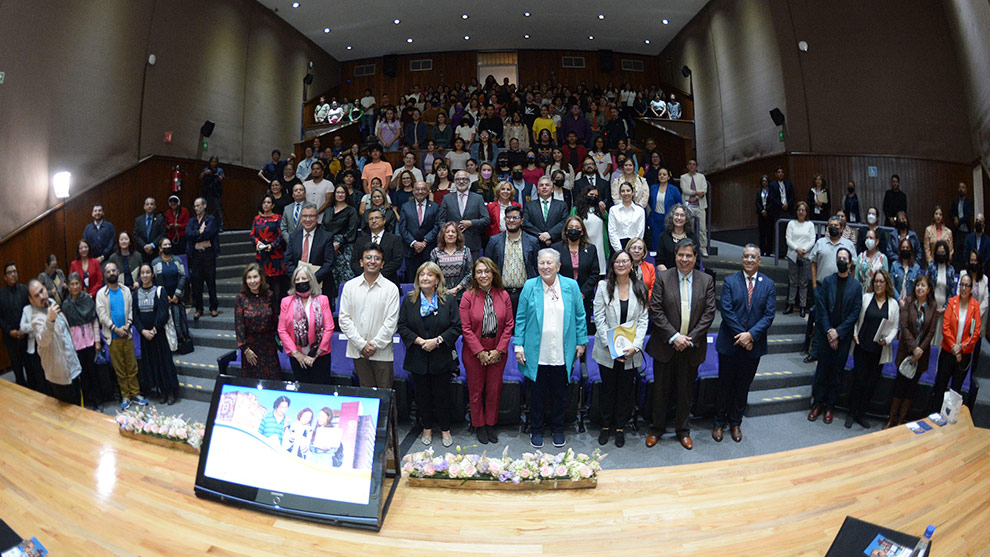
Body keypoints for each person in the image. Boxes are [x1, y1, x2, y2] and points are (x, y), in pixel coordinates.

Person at [645, 239, 716, 450]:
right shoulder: (664, 277)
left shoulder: (706, 280)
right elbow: (655, 310)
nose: (684, 259)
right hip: (665, 345)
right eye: (680, 255)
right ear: (675, 256)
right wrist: (674, 336)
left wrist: (689, 339)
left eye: (689, 255)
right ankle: (657, 428)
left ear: (696, 258)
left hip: (691, 346)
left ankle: (683, 430)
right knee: (660, 390)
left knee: (685, 392)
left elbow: (709, 313)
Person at [514, 249, 588, 448]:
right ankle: (536, 429)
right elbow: (520, 318)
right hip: (536, 351)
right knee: (536, 394)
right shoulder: (530, 286)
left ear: (558, 266)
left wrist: (581, 342)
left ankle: (557, 429)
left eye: (549, 263)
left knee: (559, 393)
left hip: (563, 351)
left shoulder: (571, 286)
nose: (545, 267)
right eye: (542, 263)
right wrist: (518, 346)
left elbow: (580, 316)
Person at [714, 245, 776, 442]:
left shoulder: (768, 284)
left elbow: (768, 315)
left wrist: (751, 336)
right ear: (742, 259)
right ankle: (718, 422)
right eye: (746, 256)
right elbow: (726, 311)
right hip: (730, 343)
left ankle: (735, 422)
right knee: (725, 385)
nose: (749, 260)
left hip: (753, 346)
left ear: (759, 261)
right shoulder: (731, 281)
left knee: (743, 386)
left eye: (753, 257)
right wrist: (743, 336)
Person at [397, 262, 462, 448]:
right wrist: (419, 341)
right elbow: (402, 326)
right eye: (422, 274)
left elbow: (456, 327)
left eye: (430, 275)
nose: (425, 278)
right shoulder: (409, 300)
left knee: (443, 395)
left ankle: (445, 429)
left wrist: (438, 340)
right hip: (417, 355)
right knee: (422, 395)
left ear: (437, 279)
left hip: (441, 355)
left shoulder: (448, 300)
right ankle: (426, 428)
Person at [592, 250, 649, 448]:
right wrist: (611, 346)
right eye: (617, 261)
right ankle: (605, 426)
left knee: (625, 391)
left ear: (631, 264)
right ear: (612, 264)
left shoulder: (639, 287)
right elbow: (598, 317)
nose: (621, 264)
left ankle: (620, 427)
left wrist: (636, 346)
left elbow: (643, 320)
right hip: (607, 350)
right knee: (607, 390)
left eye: (625, 261)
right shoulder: (603, 286)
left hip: (631, 351)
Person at [460, 258, 514, 445]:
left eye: (487, 271)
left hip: (498, 349)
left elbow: (509, 325)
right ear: (474, 275)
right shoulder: (468, 296)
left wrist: (499, 350)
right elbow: (465, 328)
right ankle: (479, 425)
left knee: (494, 389)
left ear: (493, 274)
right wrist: (480, 351)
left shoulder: (504, 295)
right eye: (479, 272)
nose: (483, 275)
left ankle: (491, 424)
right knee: (476, 390)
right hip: (474, 351)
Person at [807, 248, 861, 425]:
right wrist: (830, 331)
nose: (841, 261)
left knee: (837, 373)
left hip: (843, 338)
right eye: (839, 258)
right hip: (825, 335)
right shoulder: (828, 281)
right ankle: (818, 404)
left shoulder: (856, 286)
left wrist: (838, 332)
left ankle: (830, 406)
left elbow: (854, 313)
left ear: (850, 263)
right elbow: (821, 308)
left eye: (844, 258)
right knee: (822, 370)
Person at [338, 244, 401, 389]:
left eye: (377, 258)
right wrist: (361, 344)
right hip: (358, 351)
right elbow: (344, 319)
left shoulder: (391, 289)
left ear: (382, 264)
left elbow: (391, 322)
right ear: (361, 262)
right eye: (368, 257)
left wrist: (373, 345)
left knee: (385, 394)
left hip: (382, 352)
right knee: (365, 392)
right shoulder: (349, 286)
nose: (372, 261)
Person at [847, 269, 899, 428]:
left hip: (879, 351)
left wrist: (887, 340)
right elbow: (856, 319)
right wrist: (855, 334)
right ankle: (851, 413)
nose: (878, 284)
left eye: (881, 281)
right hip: (861, 347)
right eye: (876, 281)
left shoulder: (893, 304)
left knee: (871, 384)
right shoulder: (866, 298)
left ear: (887, 283)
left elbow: (895, 328)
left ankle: (861, 414)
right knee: (858, 381)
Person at [95, 262, 147, 409]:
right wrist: (115, 329)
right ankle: (125, 396)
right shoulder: (101, 294)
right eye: (108, 271)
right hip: (113, 337)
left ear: (118, 272)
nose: (111, 273)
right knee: (120, 369)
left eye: (113, 270)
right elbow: (102, 315)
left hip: (127, 334)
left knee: (132, 366)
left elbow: (130, 310)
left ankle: (135, 393)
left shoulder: (125, 290)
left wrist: (127, 325)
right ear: (105, 275)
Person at [887, 275, 937, 428]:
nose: (919, 288)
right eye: (917, 285)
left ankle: (901, 421)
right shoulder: (908, 302)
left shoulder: (933, 305)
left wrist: (920, 350)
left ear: (928, 289)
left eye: (923, 285)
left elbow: (931, 332)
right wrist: (913, 348)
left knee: (911, 388)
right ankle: (891, 419)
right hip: (906, 352)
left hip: (921, 355)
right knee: (899, 386)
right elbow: (904, 326)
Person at [21, 280, 82, 404]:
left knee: (79, 404)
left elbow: (65, 333)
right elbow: (43, 340)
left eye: (42, 291)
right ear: (31, 300)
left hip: (72, 366)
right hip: (59, 375)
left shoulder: (52, 303)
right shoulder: (36, 318)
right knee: (68, 413)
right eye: (36, 296)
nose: (42, 296)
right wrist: (49, 320)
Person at [929, 272, 981, 414]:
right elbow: (945, 328)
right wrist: (954, 347)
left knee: (955, 390)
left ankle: (948, 421)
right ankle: (934, 415)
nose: (963, 288)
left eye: (966, 285)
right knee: (940, 385)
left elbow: (975, 333)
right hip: (947, 352)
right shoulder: (952, 302)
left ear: (971, 288)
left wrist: (961, 348)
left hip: (964, 356)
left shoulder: (975, 306)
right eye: (962, 285)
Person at [278, 266, 335, 385]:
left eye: (303, 278)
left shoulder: (322, 300)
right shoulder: (286, 302)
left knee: (322, 390)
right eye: (297, 279)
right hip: (298, 358)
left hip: (320, 356)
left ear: (311, 280)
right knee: (303, 390)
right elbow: (282, 330)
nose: (300, 281)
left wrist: (316, 354)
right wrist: (296, 354)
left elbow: (329, 328)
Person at [133, 264, 179, 405]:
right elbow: (135, 315)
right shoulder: (135, 294)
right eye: (143, 273)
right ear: (140, 275)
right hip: (145, 336)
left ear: (152, 274)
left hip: (159, 334)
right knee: (152, 364)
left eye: (148, 272)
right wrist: (142, 331)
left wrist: (154, 329)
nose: (145, 275)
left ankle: (170, 392)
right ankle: (161, 391)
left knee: (164, 363)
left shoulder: (160, 291)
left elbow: (163, 312)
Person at [484, 205, 539, 313]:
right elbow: (487, 267)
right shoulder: (494, 241)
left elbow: (536, 268)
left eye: (515, 218)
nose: (511, 220)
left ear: (522, 221)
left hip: (525, 293)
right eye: (508, 218)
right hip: (500, 293)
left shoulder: (532, 241)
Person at [62, 273, 103, 408]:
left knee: (93, 373)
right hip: (76, 345)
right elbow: (66, 328)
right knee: (82, 375)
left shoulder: (87, 299)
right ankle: (87, 400)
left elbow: (94, 321)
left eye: (77, 283)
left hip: (90, 342)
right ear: (68, 286)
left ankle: (98, 400)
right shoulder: (66, 305)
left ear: (81, 285)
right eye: (72, 284)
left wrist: (97, 341)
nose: (75, 287)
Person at [233, 264, 280, 380]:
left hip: (269, 345)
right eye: (249, 278)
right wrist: (245, 349)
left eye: (255, 277)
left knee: (273, 379)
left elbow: (275, 320)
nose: (252, 281)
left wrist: (278, 341)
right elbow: (239, 325)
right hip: (251, 349)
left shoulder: (270, 295)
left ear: (261, 278)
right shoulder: (241, 298)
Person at [553, 217, 599, 331]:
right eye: (571, 228)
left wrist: (582, 293)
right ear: (566, 231)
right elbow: (553, 272)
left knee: (582, 328)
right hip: (561, 296)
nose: (574, 230)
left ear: (582, 231)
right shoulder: (556, 248)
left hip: (584, 297)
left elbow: (595, 273)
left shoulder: (591, 249)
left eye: (577, 228)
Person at [284, 202, 335, 296]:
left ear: (317, 218)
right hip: (297, 285)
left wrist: (311, 279)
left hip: (320, 285)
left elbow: (329, 263)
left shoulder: (326, 237)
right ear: (301, 218)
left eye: (311, 216)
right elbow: (288, 262)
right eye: (305, 216)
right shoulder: (293, 237)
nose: (308, 219)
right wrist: (298, 278)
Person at [438, 170, 490, 257]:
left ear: (469, 181)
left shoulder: (478, 198)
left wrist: (471, 223)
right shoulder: (447, 198)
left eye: (464, 179)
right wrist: (450, 231)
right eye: (458, 179)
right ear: (454, 182)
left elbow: (486, 219)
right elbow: (440, 221)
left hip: (472, 245)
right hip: (451, 245)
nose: (461, 181)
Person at [1, 264, 36, 390]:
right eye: (10, 272)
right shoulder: (1, 294)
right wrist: (10, 331)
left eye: (15, 271)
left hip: (26, 336)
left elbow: (31, 311)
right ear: (5, 277)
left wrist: (24, 330)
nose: (13, 274)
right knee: (17, 369)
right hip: (11, 338)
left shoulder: (24, 290)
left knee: (31, 367)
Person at [251, 194, 287, 313]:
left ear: (272, 205)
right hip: (261, 256)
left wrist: (272, 245)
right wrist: (257, 242)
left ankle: (276, 313)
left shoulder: (278, 218)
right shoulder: (257, 219)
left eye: (268, 202)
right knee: (263, 283)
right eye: (264, 202)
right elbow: (252, 235)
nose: (266, 204)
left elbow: (281, 235)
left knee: (276, 286)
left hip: (275, 254)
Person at [186, 198, 220, 319]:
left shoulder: (210, 219)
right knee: (196, 283)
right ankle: (198, 308)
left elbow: (209, 233)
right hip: (196, 256)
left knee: (211, 281)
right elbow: (188, 234)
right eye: (195, 206)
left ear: (204, 206)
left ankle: (213, 307)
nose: (196, 208)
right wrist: (198, 233)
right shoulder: (192, 221)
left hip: (208, 255)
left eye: (198, 206)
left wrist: (198, 235)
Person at [350, 208, 403, 285]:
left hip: (388, 281)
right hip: (364, 282)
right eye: (371, 219)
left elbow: (397, 261)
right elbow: (354, 262)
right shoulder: (360, 240)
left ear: (384, 220)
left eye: (377, 218)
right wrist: (366, 275)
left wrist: (377, 275)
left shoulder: (394, 239)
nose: (374, 221)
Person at [324, 184, 360, 292]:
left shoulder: (351, 211)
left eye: (342, 192)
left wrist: (339, 243)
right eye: (338, 192)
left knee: (346, 279)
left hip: (345, 247)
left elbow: (352, 230)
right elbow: (324, 228)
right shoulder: (329, 210)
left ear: (346, 194)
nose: (340, 195)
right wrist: (330, 244)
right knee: (331, 278)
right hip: (329, 246)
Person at [959, 248, 988, 374]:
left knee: (973, 348)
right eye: (972, 260)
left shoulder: (985, 279)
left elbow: (986, 301)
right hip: (963, 317)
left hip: (978, 319)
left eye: (976, 261)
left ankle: (970, 372)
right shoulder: (963, 275)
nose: (974, 263)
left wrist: (975, 314)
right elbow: (958, 294)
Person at [783, 202, 815, 315]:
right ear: (796, 212)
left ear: (806, 212)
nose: (801, 212)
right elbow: (788, 239)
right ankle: (790, 304)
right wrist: (797, 249)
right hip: (792, 255)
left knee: (803, 282)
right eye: (799, 210)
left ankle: (802, 306)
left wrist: (803, 250)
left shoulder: (810, 225)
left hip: (805, 256)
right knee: (793, 281)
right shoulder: (791, 223)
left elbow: (812, 240)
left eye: (803, 210)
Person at [572, 181, 609, 274]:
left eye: (596, 196)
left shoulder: (601, 210)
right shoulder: (576, 210)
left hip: (600, 246)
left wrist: (603, 212)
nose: (594, 197)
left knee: (599, 272)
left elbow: (608, 223)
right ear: (585, 195)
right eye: (591, 194)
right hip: (583, 244)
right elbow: (571, 224)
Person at [430, 222, 473, 298]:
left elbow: (470, 273)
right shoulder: (435, 252)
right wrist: (445, 291)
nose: (450, 234)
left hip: (461, 295)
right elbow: (432, 274)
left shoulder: (466, 251)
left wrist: (457, 289)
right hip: (441, 294)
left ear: (457, 235)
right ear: (443, 235)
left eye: (453, 232)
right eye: (447, 232)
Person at [523, 176, 568, 249]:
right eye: (541, 185)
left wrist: (550, 234)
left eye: (547, 185)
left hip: (556, 244)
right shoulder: (529, 205)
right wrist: (541, 235)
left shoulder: (561, 205)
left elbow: (565, 221)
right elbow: (525, 223)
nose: (544, 187)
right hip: (535, 244)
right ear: (537, 190)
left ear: (552, 189)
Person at [646, 168, 684, 251]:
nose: (662, 176)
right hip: (655, 218)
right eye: (660, 174)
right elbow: (649, 202)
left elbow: (679, 204)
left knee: (668, 241)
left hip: (669, 219)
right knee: (655, 241)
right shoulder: (653, 188)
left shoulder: (674, 189)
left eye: (664, 174)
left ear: (668, 177)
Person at [655, 204, 699, 272]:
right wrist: (669, 277)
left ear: (686, 218)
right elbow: (659, 262)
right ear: (672, 217)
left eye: (682, 215)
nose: (679, 218)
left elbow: (696, 262)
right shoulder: (664, 236)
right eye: (676, 214)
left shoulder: (692, 237)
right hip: (668, 277)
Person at [679, 159, 710, 257]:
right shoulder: (683, 177)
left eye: (694, 164)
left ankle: (703, 248)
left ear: (696, 166)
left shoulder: (701, 177)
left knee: (702, 228)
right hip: (688, 206)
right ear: (687, 166)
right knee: (690, 228)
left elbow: (704, 190)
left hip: (700, 205)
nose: (692, 166)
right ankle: (690, 247)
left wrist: (695, 197)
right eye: (690, 164)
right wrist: (696, 193)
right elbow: (685, 190)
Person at [608, 182, 646, 253]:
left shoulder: (640, 210)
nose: (626, 193)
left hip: (635, 248)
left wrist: (633, 249)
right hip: (617, 247)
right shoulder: (613, 210)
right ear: (620, 193)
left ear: (633, 192)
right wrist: (619, 251)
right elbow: (612, 232)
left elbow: (640, 232)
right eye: (623, 191)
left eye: (628, 190)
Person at [855, 228, 889, 295]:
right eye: (867, 238)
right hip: (862, 294)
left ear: (876, 241)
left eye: (871, 238)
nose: (868, 240)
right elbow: (856, 278)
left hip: (877, 294)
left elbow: (886, 279)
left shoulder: (883, 258)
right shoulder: (860, 257)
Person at [890, 237, 924, 303]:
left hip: (911, 303)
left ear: (911, 250)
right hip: (895, 301)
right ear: (900, 250)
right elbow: (891, 286)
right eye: (903, 248)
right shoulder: (894, 265)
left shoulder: (916, 268)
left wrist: (909, 301)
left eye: (907, 248)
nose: (905, 249)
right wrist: (899, 299)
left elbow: (918, 287)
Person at [951, 182, 974, 268]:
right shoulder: (955, 202)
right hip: (958, 232)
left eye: (963, 187)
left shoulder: (969, 202)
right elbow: (951, 212)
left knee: (965, 253)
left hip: (966, 231)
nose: (961, 189)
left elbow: (968, 215)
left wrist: (959, 221)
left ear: (966, 190)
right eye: (959, 187)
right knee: (956, 252)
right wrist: (955, 218)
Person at [755, 175, 780, 257]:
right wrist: (762, 210)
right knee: (762, 233)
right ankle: (762, 251)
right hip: (761, 214)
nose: (764, 182)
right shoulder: (758, 191)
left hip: (769, 214)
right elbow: (757, 202)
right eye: (763, 181)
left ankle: (768, 251)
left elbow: (772, 202)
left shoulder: (771, 191)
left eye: (765, 181)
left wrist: (766, 210)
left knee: (769, 233)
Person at [199, 156, 225, 231]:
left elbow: (222, 179)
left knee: (217, 209)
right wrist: (205, 173)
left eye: (215, 162)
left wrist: (217, 175)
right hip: (207, 192)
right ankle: (204, 225)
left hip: (216, 192)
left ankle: (220, 226)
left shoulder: (219, 170)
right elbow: (200, 178)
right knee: (205, 210)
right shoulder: (206, 169)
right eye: (212, 161)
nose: (213, 163)